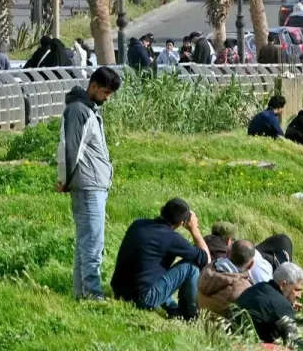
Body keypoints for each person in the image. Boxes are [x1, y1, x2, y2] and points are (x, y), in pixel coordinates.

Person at [57, 66, 122, 301]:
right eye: (105, 92)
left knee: (86, 245)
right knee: (93, 246)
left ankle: (81, 295)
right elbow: (70, 149)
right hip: (88, 186)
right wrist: (65, 181)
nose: (107, 98)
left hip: (93, 185)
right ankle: (93, 297)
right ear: (93, 86)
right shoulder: (78, 110)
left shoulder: (88, 109)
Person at [109, 197, 210, 319]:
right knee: (191, 267)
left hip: (119, 291)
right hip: (143, 298)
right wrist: (194, 229)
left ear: (162, 210)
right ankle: (191, 315)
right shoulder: (171, 238)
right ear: (182, 222)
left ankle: (173, 309)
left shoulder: (138, 224)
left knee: (150, 270)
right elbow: (206, 260)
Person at [232, 261, 303, 350]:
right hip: (250, 348)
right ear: (283, 284)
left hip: (232, 338)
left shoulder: (260, 287)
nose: (299, 296)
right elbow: (297, 346)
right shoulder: (281, 304)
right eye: (297, 290)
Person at [198, 238, 255, 318]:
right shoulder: (244, 289)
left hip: (200, 317)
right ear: (251, 265)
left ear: (227, 253)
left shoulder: (209, 268)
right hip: (220, 325)